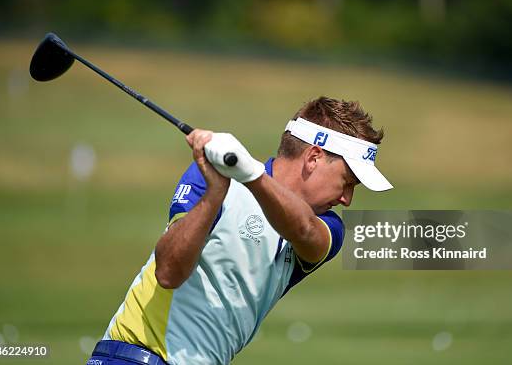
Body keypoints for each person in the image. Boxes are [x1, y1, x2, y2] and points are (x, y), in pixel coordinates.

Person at [86, 97, 392, 365]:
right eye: (347, 182)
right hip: (134, 356)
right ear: (313, 158)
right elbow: (168, 272)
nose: (347, 200)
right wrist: (215, 193)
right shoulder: (215, 178)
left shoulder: (328, 226)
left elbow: (303, 230)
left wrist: (250, 175)